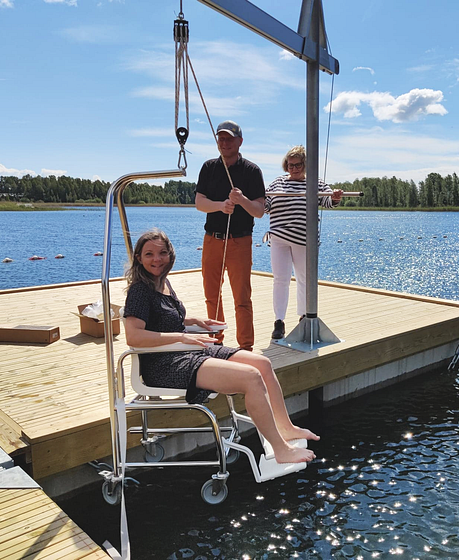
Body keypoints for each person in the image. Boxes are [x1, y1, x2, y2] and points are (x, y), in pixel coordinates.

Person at [123, 229, 317, 464]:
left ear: (170, 255)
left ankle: (286, 428)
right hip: (165, 364)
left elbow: (161, 318)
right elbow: (134, 336)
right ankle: (282, 450)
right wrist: (181, 337)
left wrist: (194, 322)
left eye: (162, 253)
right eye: (149, 254)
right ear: (139, 258)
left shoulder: (161, 282)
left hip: (187, 351)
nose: (157, 259)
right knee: (251, 377)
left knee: (263, 364)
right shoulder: (139, 290)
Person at [195, 121, 265, 352]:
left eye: (229, 139)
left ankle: (246, 347)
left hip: (240, 241)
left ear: (239, 142)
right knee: (211, 295)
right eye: (221, 139)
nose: (224, 143)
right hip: (212, 239)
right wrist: (220, 206)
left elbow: (259, 211)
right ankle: (216, 340)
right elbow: (199, 203)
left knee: (242, 298)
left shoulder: (252, 171)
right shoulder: (208, 168)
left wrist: (241, 200)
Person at [265, 145, 343, 339]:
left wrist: (335, 197)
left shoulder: (315, 182)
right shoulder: (277, 183)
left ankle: (303, 317)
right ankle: (279, 321)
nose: (294, 169)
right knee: (280, 279)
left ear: (305, 165)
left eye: (298, 164)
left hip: (304, 240)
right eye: (290, 165)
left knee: (304, 279)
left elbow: (328, 201)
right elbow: (265, 205)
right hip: (279, 238)